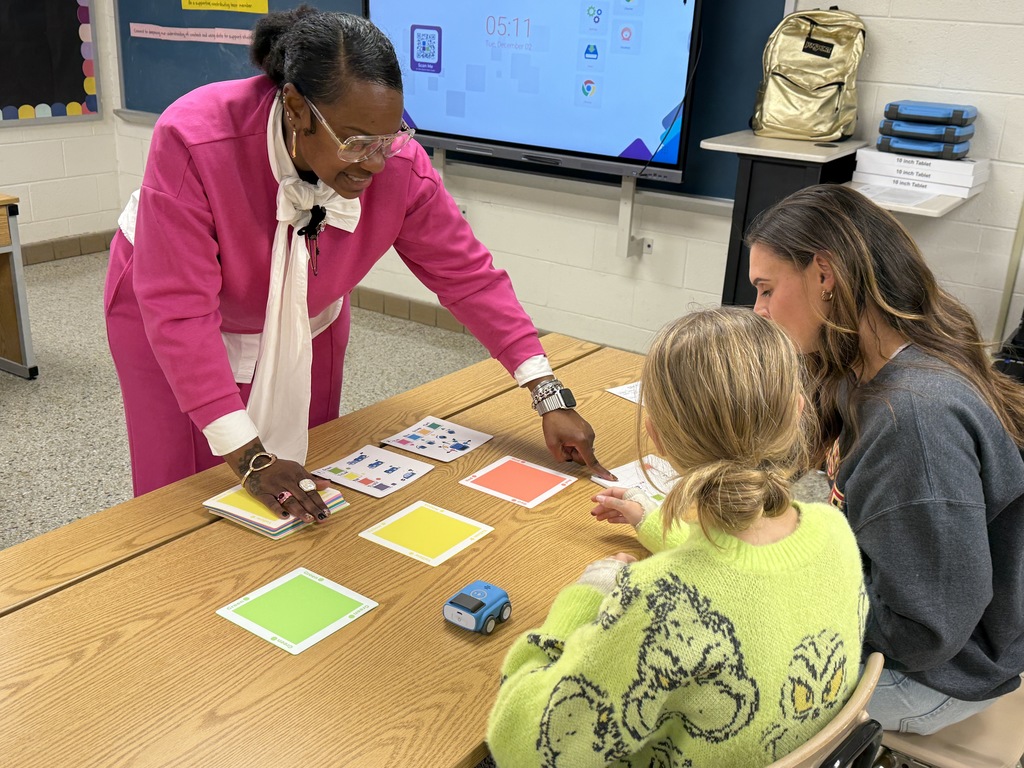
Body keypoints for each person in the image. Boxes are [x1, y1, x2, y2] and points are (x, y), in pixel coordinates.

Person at [103, 7, 613, 522]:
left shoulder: (396, 164)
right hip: (175, 316)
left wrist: (548, 393)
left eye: (388, 139)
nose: (374, 162)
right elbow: (180, 311)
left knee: (313, 465)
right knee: (191, 494)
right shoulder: (194, 139)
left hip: (309, 313)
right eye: (355, 142)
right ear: (296, 107)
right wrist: (249, 456)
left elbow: (470, 279)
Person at [487, 308, 866, 767]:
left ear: (657, 437)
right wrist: (653, 523)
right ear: (799, 410)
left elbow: (520, 747)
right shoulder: (831, 530)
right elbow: (738, 572)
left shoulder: (657, 603)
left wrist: (585, 599)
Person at [744, 183, 1024, 735]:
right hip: (912, 632)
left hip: (935, 675)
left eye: (766, 289)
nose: (759, 311)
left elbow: (926, 631)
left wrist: (782, 584)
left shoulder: (915, 420)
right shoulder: (867, 367)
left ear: (824, 276)